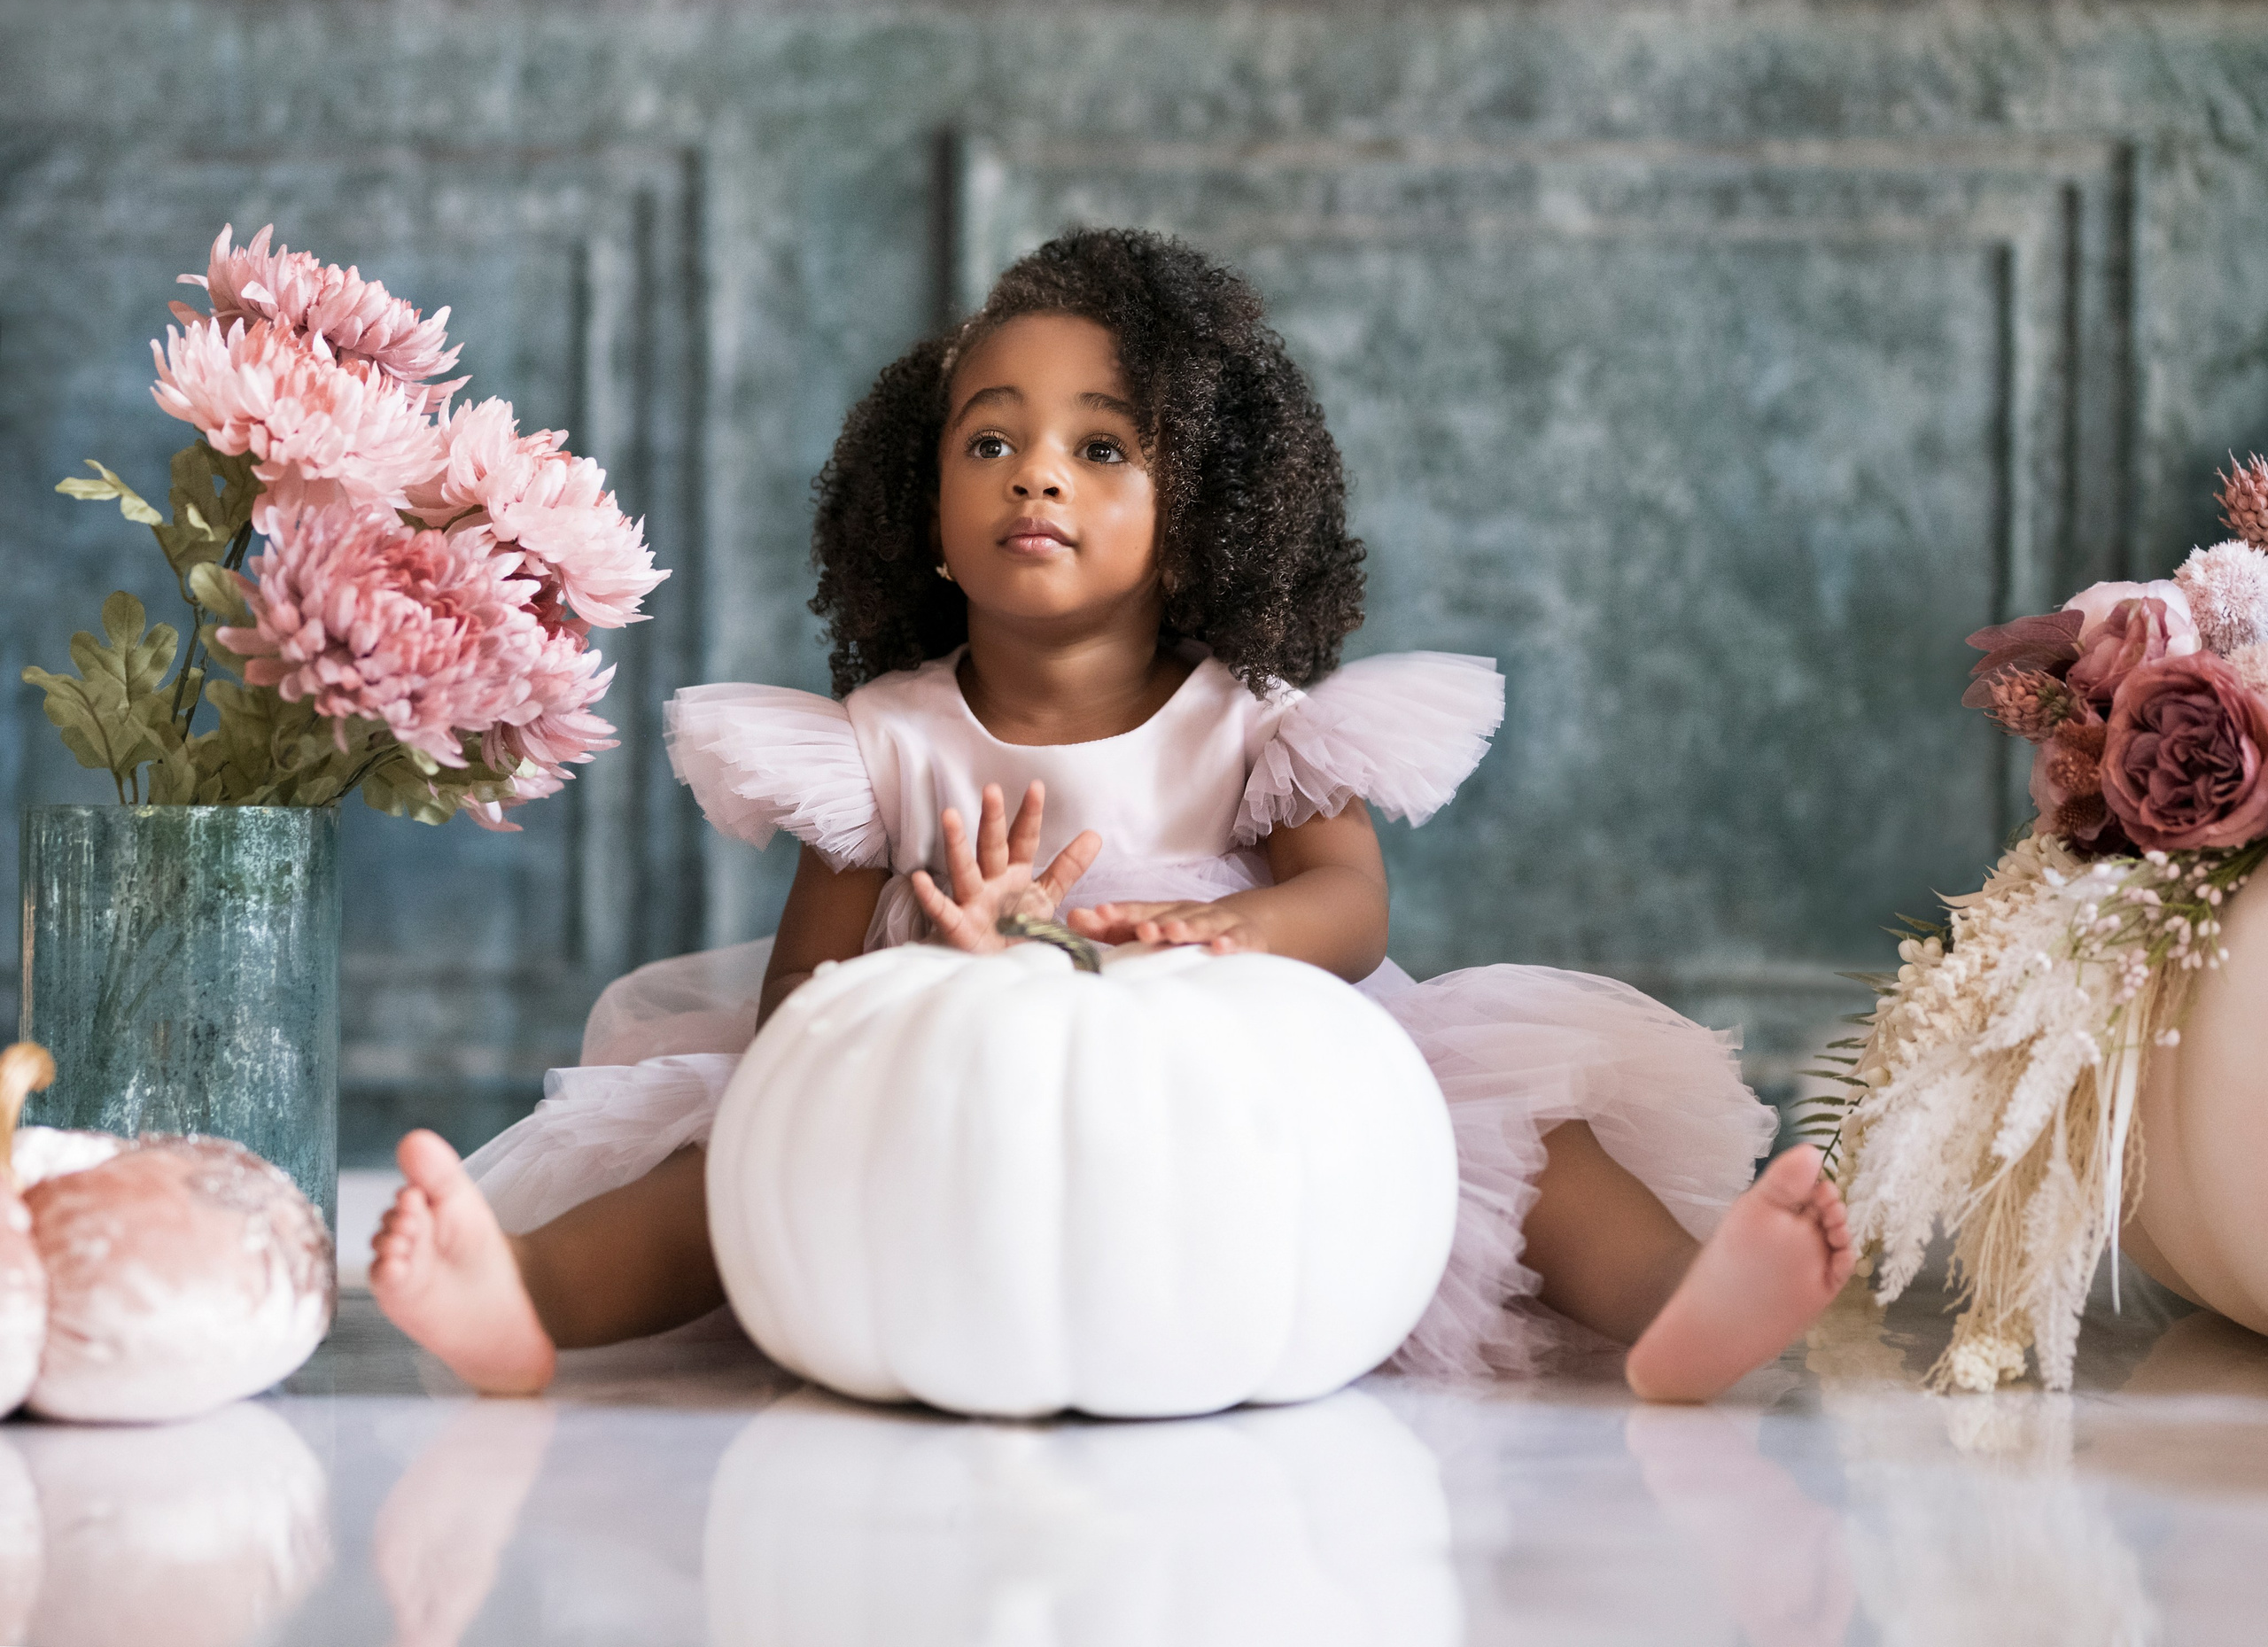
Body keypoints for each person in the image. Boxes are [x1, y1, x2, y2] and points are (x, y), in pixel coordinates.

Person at [369, 229, 1853, 1402]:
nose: (1037, 476)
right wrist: (938, 957)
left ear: (1200, 507)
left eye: (1102, 447)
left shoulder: (1253, 723)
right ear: (925, 509)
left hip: (1254, 1110)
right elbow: (796, 1014)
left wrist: (1226, 927)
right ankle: (520, 1301)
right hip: (964, 1120)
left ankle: (1683, 1311)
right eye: (990, 441)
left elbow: (1350, 913)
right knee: (732, 1167)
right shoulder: (880, 747)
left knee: (1527, 1143)